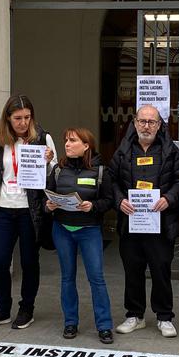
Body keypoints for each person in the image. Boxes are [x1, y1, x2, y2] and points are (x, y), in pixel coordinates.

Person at [0, 95, 57, 330]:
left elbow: (54, 175)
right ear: (8, 119)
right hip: (3, 209)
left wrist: (49, 162)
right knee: (0, 261)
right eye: (17, 118)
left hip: (28, 210)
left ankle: (26, 309)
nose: (23, 123)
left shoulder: (43, 139)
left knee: (29, 262)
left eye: (27, 117)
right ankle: (2, 309)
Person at [108, 105, 179, 338]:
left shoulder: (170, 152)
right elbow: (110, 180)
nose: (146, 126)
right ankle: (135, 315)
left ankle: (164, 316)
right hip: (131, 221)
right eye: (142, 121)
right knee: (132, 269)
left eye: (152, 122)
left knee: (161, 269)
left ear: (159, 125)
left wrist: (168, 199)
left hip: (160, 223)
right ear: (134, 122)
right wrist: (119, 200)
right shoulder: (123, 151)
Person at [46, 128, 114, 344]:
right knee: (67, 277)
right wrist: (49, 206)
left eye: (72, 140)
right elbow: (45, 199)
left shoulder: (101, 171)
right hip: (63, 229)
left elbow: (108, 201)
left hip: (89, 230)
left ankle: (104, 326)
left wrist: (92, 206)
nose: (67, 144)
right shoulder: (58, 170)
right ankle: (70, 322)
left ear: (86, 145)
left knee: (97, 278)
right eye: (66, 140)